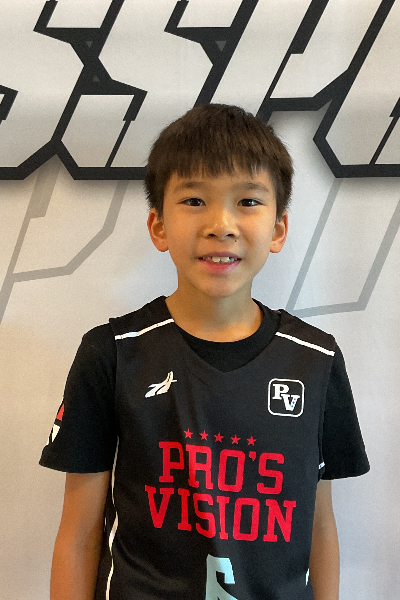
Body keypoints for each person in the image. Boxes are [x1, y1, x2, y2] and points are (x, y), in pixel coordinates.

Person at [40, 104, 369, 600]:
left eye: (248, 201)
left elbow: (319, 524)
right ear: (158, 226)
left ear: (278, 228)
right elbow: (78, 533)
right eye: (194, 200)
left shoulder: (315, 359)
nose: (221, 224)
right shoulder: (112, 353)